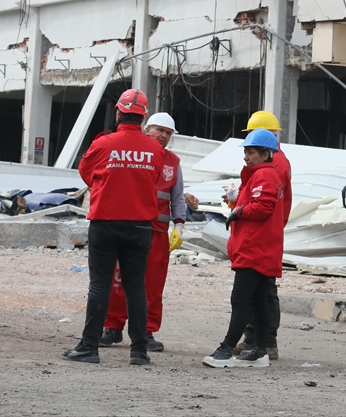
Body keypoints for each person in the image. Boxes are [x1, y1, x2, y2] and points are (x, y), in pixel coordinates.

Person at [62, 89, 163, 365]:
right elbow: (154, 178)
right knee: (136, 287)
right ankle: (139, 351)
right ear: (143, 118)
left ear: (118, 113)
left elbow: (85, 173)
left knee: (100, 285)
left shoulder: (103, 144)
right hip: (141, 226)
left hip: (105, 223)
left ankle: (89, 347)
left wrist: (109, 183)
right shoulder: (155, 148)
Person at [100, 112, 186, 351]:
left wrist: (179, 225)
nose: (164, 136)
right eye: (160, 130)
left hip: (157, 232)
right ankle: (112, 327)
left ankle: (145, 331)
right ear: (147, 129)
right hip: (129, 225)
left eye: (168, 133)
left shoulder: (173, 162)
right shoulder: (135, 154)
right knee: (118, 281)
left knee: (152, 284)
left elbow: (177, 197)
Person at [203, 129, 286, 368]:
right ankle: (260, 350)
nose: (246, 157)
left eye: (250, 152)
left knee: (240, 300)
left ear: (265, 153)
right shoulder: (265, 176)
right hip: (262, 250)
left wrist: (238, 211)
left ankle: (226, 349)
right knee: (258, 301)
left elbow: (262, 207)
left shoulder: (263, 176)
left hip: (254, 250)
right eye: (246, 152)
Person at [233, 110, 292, 359]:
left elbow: (265, 202)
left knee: (263, 290)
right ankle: (257, 340)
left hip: (263, 233)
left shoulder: (273, 164)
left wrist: (241, 209)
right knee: (259, 290)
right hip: (262, 230)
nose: (247, 154)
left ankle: (265, 342)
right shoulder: (272, 162)